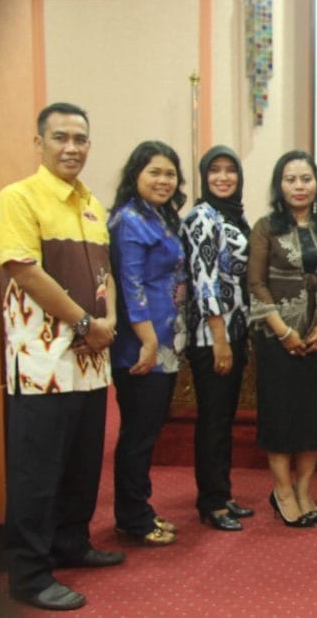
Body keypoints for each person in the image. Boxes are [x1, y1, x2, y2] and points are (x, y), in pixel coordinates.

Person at [0, 102, 124, 611]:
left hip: (90, 364)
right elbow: (25, 271)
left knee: (82, 466)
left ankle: (72, 543)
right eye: (61, 138)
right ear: (39, 143)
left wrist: (107, 318)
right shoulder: (19, 197)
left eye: (81, 139)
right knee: (36, 473)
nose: (72, 147)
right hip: (42, 365)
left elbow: (104, 275)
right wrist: (86, 323)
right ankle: (28, 574)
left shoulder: (91, 204)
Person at [248, 150, 317, 529]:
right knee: (282, 419)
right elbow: (255, 284)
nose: (299, 186)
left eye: (306, 178)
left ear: (316, 183)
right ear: (280, 185)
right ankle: (282, 491)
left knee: (314, 419)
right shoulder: (265, 227)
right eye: (291, 179)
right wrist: (283, 331)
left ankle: (304, 489)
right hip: (276, 339)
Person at [109, 140, 188, 547]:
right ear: (135, 174)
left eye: (170, 173)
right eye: (154, 172)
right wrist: (148, 342)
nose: (163, 180)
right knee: (138, 434)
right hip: (142, 346)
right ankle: (133, 517)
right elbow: (130, 285)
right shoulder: (128, 221)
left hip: (165, 341)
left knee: (147, 430)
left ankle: (137, 508)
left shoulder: (158, 217)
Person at [180, 145, 255, 531]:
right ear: (204, 177)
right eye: (215, 171)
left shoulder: (233, 216)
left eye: (230, 171)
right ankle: (211, 502)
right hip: (213, 335)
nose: (223, 177)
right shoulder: (202, 217)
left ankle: (221, 493)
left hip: (235, 330)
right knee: (212, 420)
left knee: (223, 419)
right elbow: (204, 280)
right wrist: (219, 337)